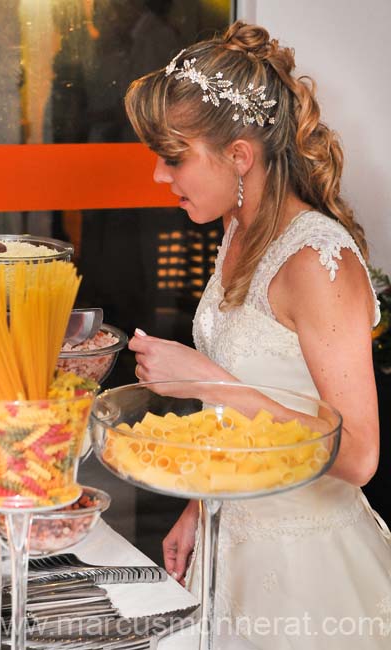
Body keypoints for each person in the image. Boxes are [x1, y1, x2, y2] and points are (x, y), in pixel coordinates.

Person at [125, 20, 391, 649]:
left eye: (174, 158)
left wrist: (207, 381)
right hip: (229, 547)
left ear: (239, 156)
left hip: (306, 575)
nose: (162, 179)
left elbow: (357, 456)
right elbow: (261, 408)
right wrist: (198, 508)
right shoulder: (238, 233)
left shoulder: (316, 262)